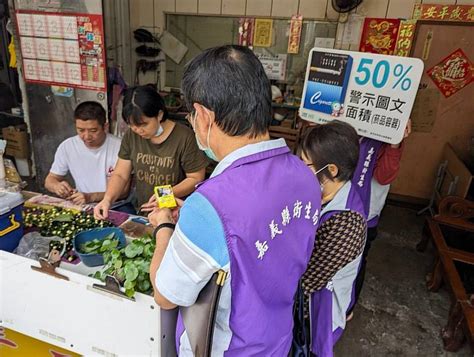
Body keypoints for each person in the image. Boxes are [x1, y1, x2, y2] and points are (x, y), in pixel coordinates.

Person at [147, 45, 322, 356]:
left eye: (191, 115)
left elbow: (165, 295)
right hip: (277, 339)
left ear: (203, 116)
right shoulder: (305, 176)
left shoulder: (211, 203)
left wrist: (164, 228)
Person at [298, 121, 367, 357]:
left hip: (317, 315)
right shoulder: (323, 194)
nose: (300, 169)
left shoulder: (346, 225)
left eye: (306, 164)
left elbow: (305, 283)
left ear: (332, 170)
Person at [94, 85, 208, 219]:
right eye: (132, 125)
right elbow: (120, 174)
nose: (137, 130)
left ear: (159, 115)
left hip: (174, 215)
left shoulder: (185, 137)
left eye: (143, 124)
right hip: (144, 213)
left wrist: (164, 195)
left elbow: (195, 178)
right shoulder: (131, 136)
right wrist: (107, 199)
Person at [349, 120, 412, 316]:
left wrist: (395, 142)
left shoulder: (387, 131)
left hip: (365, 214)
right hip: (331, 206)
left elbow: (384, 176)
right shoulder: (343, 125)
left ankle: (346, 308)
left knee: (356, 261)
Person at [45, 101, 124, 205]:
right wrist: (57, 187)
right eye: (81, 130)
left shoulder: (120, 147)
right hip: (84, 205)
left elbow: (124, 192)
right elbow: (49, 180)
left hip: (117, 205)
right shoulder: (68, 146)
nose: (86, 136)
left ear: (105, 126)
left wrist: (91, 197)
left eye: (93, 130)